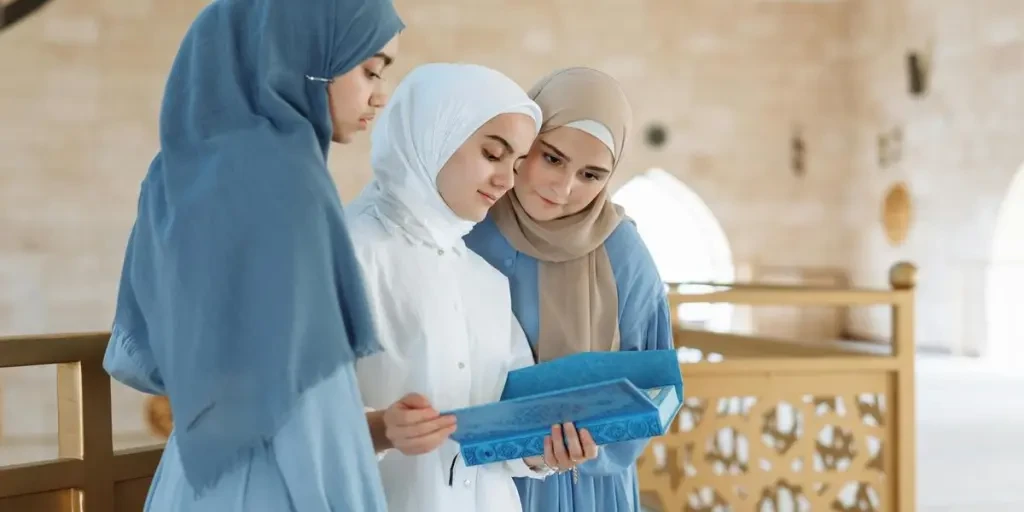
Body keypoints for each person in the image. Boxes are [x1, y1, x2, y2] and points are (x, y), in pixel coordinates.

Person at [101, 0, 403, 509]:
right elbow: (311, 403)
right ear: (301, 57)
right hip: (267, 486)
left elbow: (130, 355)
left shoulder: (177, 170)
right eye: (369, 70)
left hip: (188, 480)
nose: (381, 94)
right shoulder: (289, 185)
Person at [346, 62, 556, 512]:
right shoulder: (348, 252)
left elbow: (506, 429)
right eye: (493, 154)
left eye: (517, 164)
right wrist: (381, 428)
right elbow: (287, 422)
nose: (506, 181)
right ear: (434, 132)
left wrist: (545, 451)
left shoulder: (485, 280)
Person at [464, 67, 674, 512]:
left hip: (587, 488)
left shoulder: (624, 254)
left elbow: (652, 386)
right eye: (553, 158)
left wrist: (591, 444)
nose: (563, 188)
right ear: (525, 143)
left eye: (591, 175)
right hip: (475, 480)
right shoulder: (469, 226)